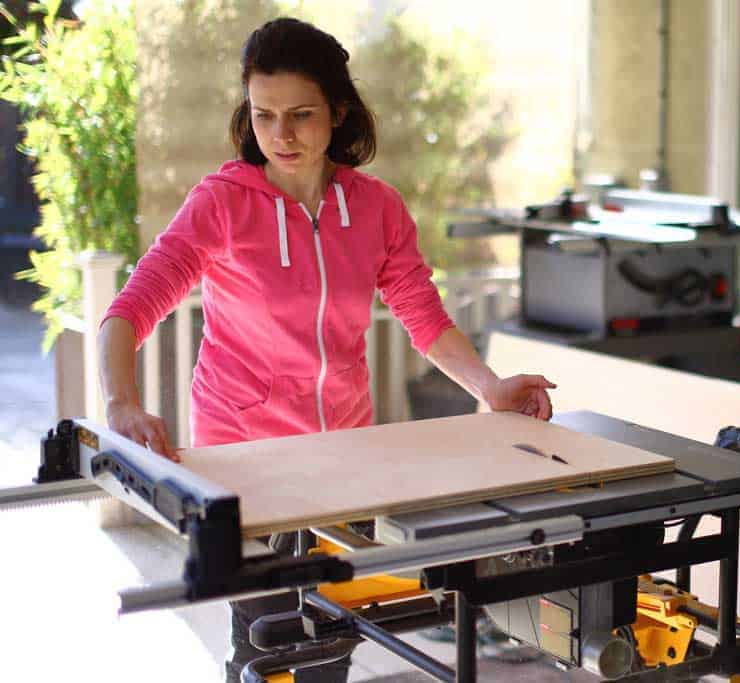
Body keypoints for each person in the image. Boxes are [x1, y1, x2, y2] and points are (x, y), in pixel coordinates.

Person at [98, 17, 556, 682]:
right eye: (264, 115)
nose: (281, 135)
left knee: (333, 640)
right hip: (246, 464)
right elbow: (130, 308)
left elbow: (423, 316)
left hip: (342, 460)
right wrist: (122, 401)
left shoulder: (376, 209)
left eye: (301, 115)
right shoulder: (222, 204)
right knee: (269, 641)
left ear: (338, 112)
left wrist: (490, 387)